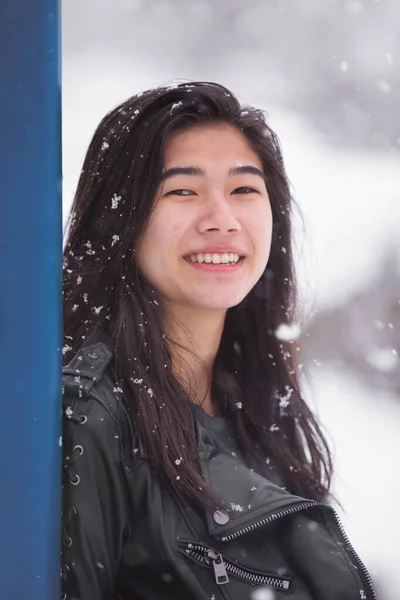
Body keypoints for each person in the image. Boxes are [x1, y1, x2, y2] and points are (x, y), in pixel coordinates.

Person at [62, 81, 376, 600]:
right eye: (182, 190)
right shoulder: (89, 413)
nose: (222, 220)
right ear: (121, 217)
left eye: (243, 189)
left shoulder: (255, 402)